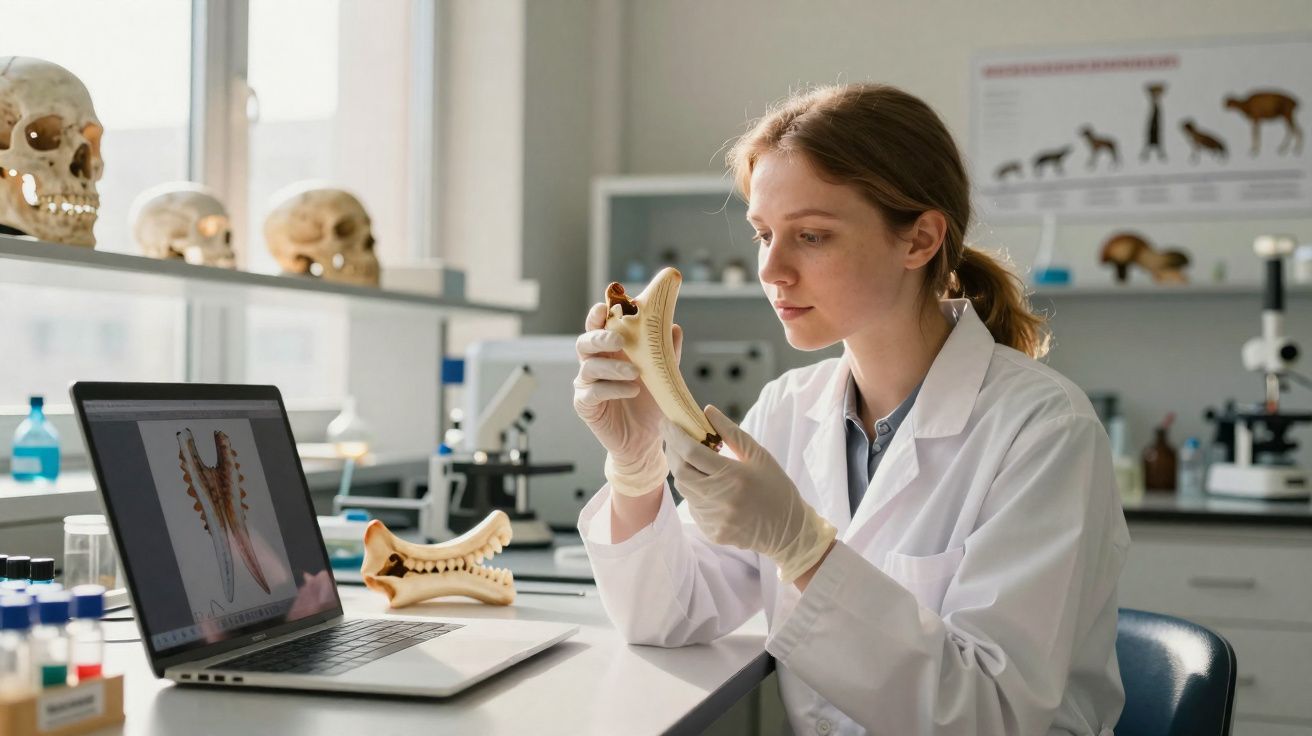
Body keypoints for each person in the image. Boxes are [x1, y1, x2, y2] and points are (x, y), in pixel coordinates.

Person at [573, 83, 1128, 736]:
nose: (772, 270)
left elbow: (990, 716)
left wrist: (804, 550)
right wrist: (636, 466)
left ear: (919, 240)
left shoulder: (1042, 432)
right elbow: (667, 616)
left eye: (810, 235)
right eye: (762, 234)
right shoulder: (789, 408)